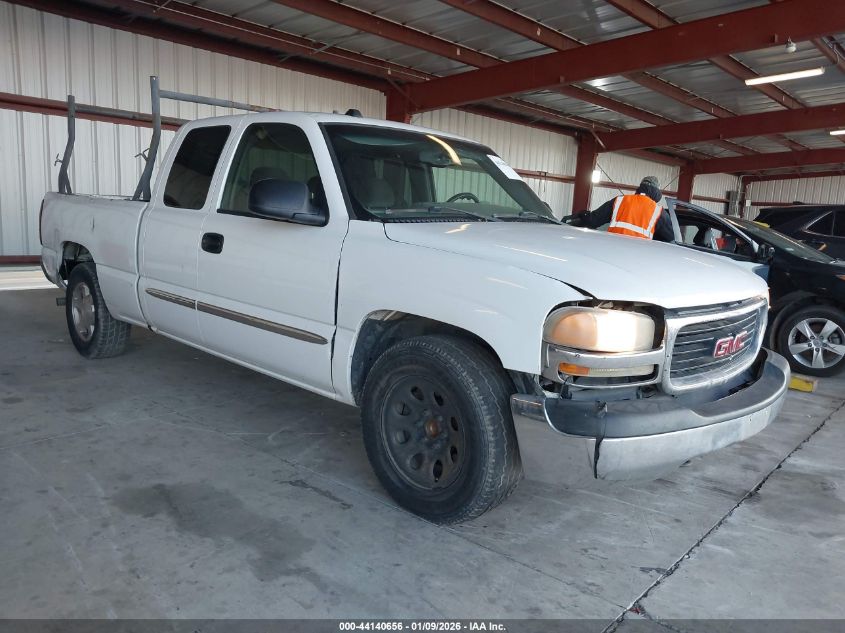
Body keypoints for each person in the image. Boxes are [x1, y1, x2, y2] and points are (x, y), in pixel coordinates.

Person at [570, 176, 674, 242]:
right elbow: (670, 238)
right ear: (657, 192)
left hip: (612, 248)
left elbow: (593, 220)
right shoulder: (658, 211)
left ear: (640, 187)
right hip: (639, 255)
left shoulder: (619, 200)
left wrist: (581, 215)